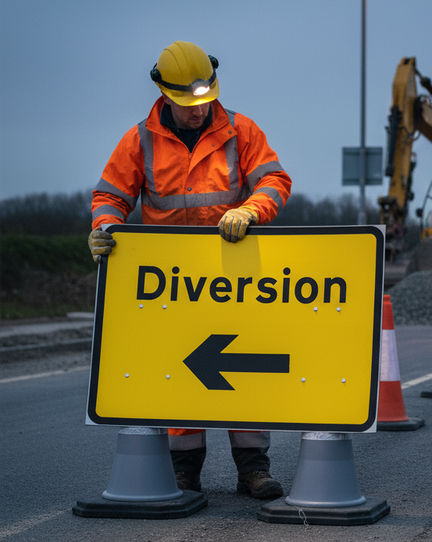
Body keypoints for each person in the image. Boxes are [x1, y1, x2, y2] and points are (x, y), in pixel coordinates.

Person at [88, 40, 292, 499]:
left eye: (205, 100)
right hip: (171, 283)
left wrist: (251, 210)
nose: (199, 110)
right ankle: (183, 471)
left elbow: (274, 180)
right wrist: (105, 228)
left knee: (240, 368)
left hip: (234, 276)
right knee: (180, 370)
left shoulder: (241, 130)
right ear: (164, 93)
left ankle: (253, 469)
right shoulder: (140, 140)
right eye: (187, 103)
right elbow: (111, 196)